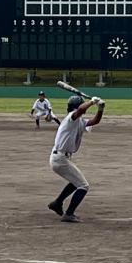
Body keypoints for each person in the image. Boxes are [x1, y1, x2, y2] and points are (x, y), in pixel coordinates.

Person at [48, 93, 104, 221]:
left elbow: (95, 121)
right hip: (60, 159)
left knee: (75, 182)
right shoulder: (70, 118)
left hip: (61, 158)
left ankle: (57, 203)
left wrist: (100, 108)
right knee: (83, 186)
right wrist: (91, 102)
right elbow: (80, 110)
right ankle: (69, 214)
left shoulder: (79, 121)